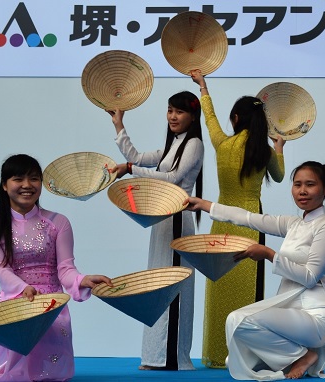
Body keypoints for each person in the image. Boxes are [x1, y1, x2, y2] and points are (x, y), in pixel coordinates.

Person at [0, 154, 113, 382]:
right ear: (5, 185)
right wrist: (24, 289)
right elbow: (0, 269)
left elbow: (65, 269)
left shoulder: (58, 222)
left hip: (52, 305)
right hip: (15, 303)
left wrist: (83, 279)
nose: (27, 185)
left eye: (34, 179)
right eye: (18, 179)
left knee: (50, 375)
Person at [186, 161, 325, 380]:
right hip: (289, 315)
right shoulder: (294, 224)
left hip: (314, 316)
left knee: (239, 319)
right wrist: (204, 204)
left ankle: (303, 356)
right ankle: (296, 356)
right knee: (235, 359)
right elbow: (249, 218)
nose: (302, 191)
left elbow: (310, 277)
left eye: (310, 185)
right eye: (297, 185)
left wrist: (269, 254)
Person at [190, 69, 286, 368]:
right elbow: (280, 177)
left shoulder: (223, 144)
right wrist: (280, 149)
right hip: (253, 223)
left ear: (236, 119)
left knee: (220, 286)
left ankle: (219, 354)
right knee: (251, 293)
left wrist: (203, 87)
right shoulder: (264, 151)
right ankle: (248, 355)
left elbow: (210, 120)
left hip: (222, 219)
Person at [106, 91, 204, 371]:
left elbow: (172, 179)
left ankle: (171, 358)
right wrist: (118, 124)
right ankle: (155, 356)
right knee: (157, 283)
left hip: (177, 220)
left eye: (180, 112)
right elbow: (136, 156)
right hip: (163, 220)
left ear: (192, 116)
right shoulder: (172, 144)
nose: (173, 116)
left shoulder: (194, 143)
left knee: (172, 286)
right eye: (170, 110)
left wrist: (131, 169)